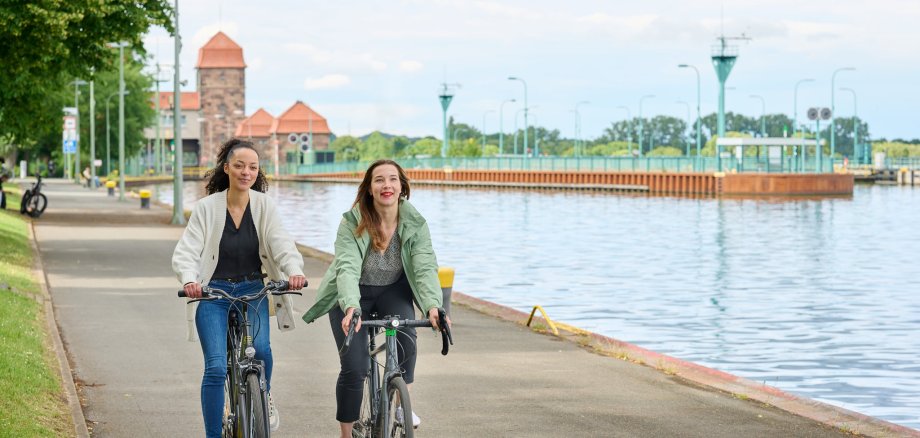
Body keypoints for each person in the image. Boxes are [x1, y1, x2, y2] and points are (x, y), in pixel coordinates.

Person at [302, 159, 450, 438]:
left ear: (402, 186)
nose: (387, 185)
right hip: (352, 293)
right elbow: (346, 268)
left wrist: (433, 306)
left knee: (406, 339)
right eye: (379, 180)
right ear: (369, 189)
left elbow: (425, 266)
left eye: (393, 179)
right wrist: (350, 307)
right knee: (355, 367)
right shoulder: (352, 222)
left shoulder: (415, 222)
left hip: (392, 289)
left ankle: (398, 404)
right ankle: (346, 433)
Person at [172, 138, 306, 437]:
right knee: (217, 368)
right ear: (227, 168)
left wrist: (294, 270)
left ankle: (264, 395)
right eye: (240, 166)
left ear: (258, 173)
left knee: (261, 349)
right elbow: (187, 251)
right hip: (213, 293)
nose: (246, 172)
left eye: (253, 167)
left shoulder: (265, 206)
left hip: (252, 290)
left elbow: (282, 243)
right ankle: (213, 434)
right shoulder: (207, 208)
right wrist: (190, 280)